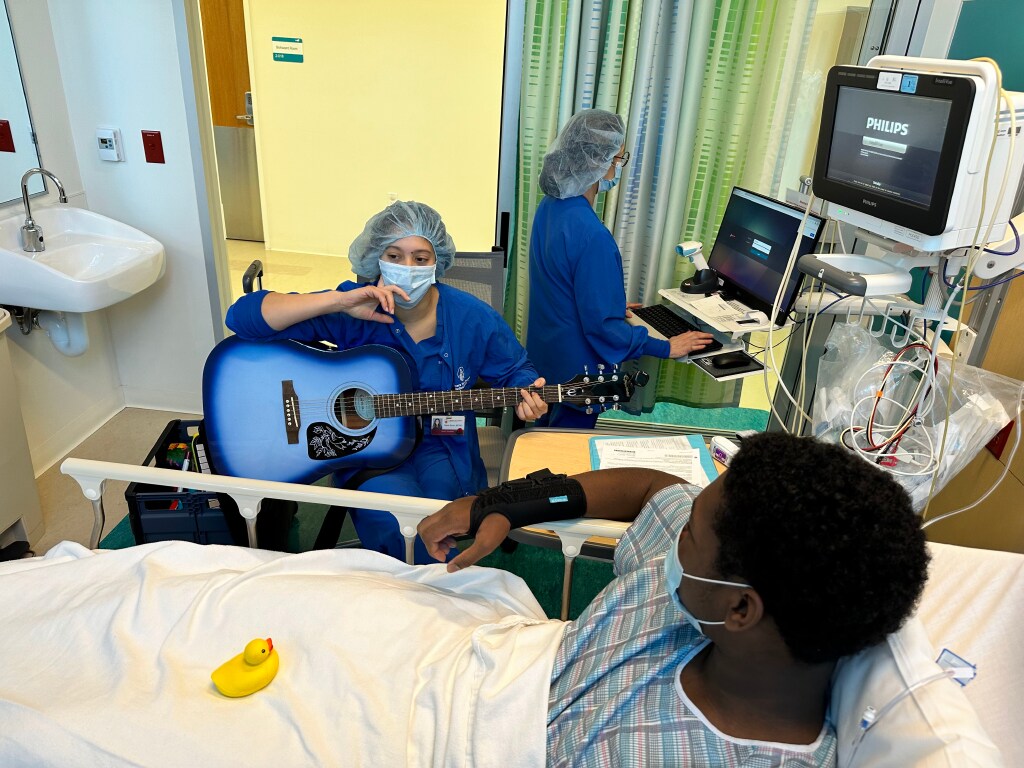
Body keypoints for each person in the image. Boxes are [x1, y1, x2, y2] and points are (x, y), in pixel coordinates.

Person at [418, 432, 930, 765]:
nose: (677, 535)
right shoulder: (714, 599)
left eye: (688, 535)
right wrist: (505, 502)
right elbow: (651, 488)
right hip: (469, 672)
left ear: (741, 609)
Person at [225, 201, 548, 563]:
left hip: (443, 447)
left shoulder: (470, 317)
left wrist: (528, 394)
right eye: (395, 255)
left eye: (421, 258)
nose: (407, 268)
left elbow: (517, 369)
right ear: (376, 258)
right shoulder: (353, 306)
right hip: (369, 452)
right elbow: (242, 317)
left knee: (441, 525)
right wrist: (336, 302)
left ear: (437, 262)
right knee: (398, 526)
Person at [527, 108, 715, 428]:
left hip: (548, 360)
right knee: (564, 461)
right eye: (619, 159)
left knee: (545, 439)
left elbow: (559, 284)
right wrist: (666, 346)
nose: (618, 168)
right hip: (579, 378)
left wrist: (609, 305)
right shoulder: (592, 235)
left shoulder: (550, 208)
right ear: (601, 162)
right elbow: (603, 330)